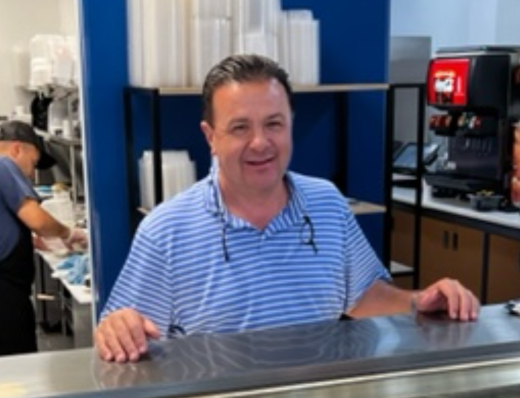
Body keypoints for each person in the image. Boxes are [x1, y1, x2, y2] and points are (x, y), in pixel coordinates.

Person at [96, 53, 478, 364]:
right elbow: (127, 332)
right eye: (240, 127)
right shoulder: (167, 230)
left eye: (274, 124)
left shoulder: (327, 204)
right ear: (211, 137)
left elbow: (364, 296)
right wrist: (117, 328)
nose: (261, 143)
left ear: (291, 124)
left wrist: (420, 301)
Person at [0, 120, 86, 359]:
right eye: (33, 163)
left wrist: (31, 241)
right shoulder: (3, 166)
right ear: (16, 149)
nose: (32, 174)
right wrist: (69, 233)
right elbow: (38, 221)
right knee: (16, 384)